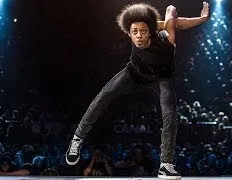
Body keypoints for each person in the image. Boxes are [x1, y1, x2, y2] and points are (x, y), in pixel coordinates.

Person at [66, 2, 209, 179]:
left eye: (143, 31)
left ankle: (166, 165)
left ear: (151, 31)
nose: (139, 36)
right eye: (134, 33)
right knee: (102, 96)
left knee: (170, 113)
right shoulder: (139, 27)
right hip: (134, 72)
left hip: (160, 78)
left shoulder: (167, 37)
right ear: (129, 34)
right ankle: (77, 140)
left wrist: (201, 19)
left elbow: (173, 12)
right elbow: (160, 22)